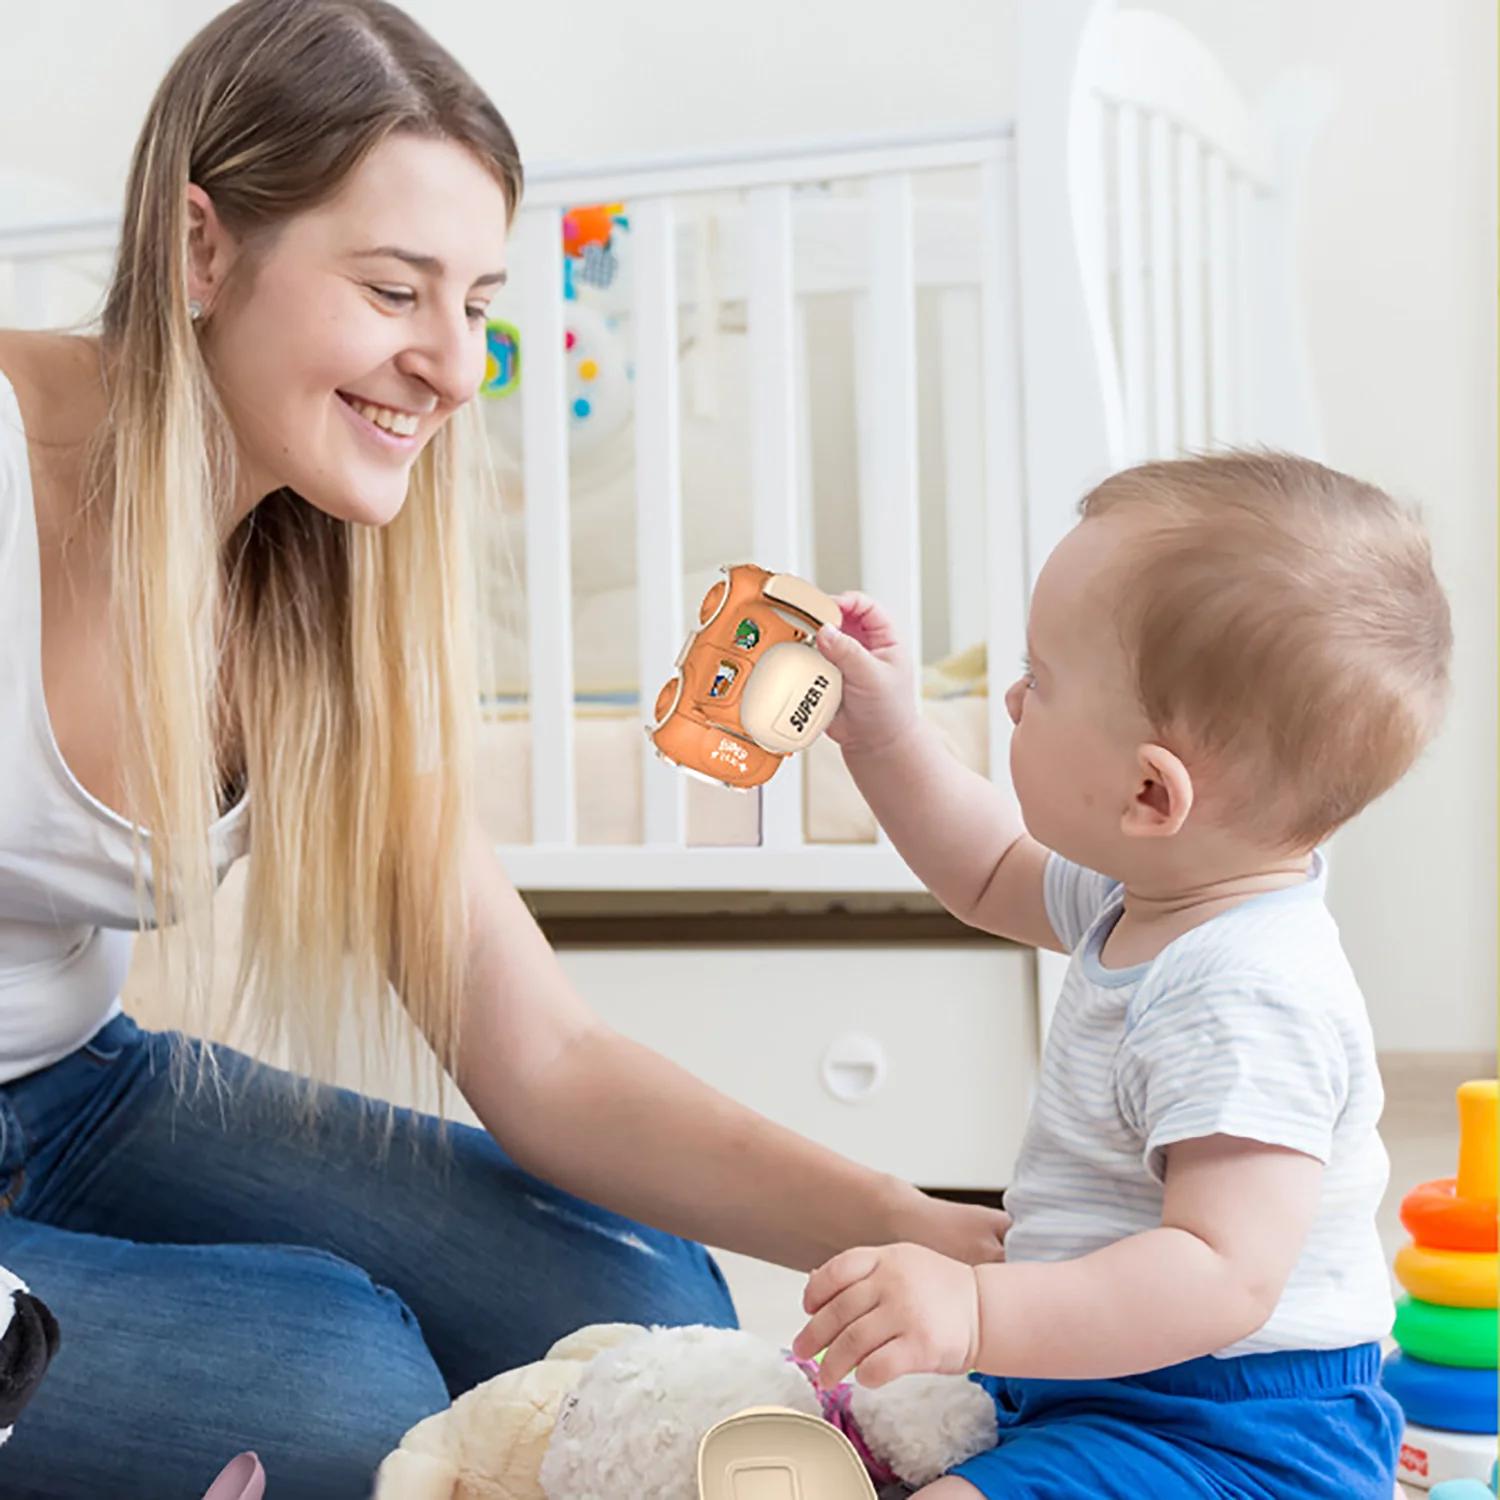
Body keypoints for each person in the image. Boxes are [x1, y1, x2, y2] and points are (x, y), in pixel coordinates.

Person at [0, 2, 1007, 1493]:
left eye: (479, 304)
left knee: (648, 1303)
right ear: (199, 252)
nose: (457, 369)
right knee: (339, 1378)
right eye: (397, 291)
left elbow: (546, 1059)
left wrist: (937, 1234)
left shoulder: (310, 575)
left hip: (75, 1091)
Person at [797, 451, 1452, 1500]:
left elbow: (1222, 1271)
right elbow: (988, 870)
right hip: (1110, 1376)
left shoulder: (1245, 992)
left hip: (1239, 1429)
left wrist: (977, 1310)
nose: (1011, 699)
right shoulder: (1143, 891)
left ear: (1152, 791)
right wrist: (886, 737)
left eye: (1040, 681)